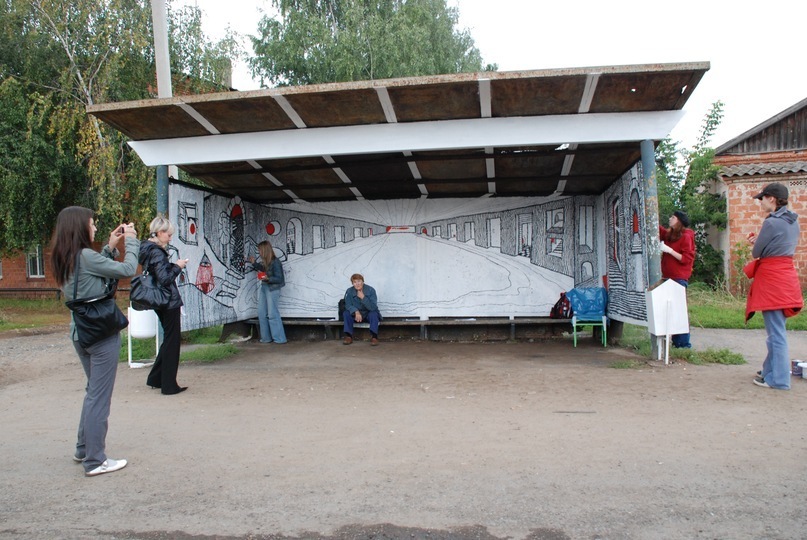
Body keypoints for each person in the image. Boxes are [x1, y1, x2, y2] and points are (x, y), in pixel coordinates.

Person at [50, 207, 139, 477]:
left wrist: (109, 247)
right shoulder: (85, 256)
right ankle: (95, 460)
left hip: (80, 333)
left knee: (93, 392)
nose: (95, 228)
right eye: (92, 224)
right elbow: (127, 269)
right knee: (99, 397)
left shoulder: (65, 257)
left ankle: (83, 448)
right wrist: (131, 241)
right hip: (101, 335)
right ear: (80, 227)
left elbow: (90, 276)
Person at [745, 182, 803, 390]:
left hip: (771, 280)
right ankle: (769, 371)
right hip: (786, 277)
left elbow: (757, 253)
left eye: (762, 198)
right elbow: (778, 247)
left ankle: (779, 380)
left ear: (772, 198)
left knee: (776, 334)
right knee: (778, 329)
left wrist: (756, 243)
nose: (760, 202)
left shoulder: (771, 223)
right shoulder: (793, 221)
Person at [139, 216, 189, 395]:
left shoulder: (146, 249)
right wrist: (177, 266)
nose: (170, 238)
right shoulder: (157, 253)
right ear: (159, 233)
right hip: (168, 301)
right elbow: (165, 278)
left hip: (158, 300)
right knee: (172, 341)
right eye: (168, 234)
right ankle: (168, 384)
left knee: (169, 339)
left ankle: (156, 378)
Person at [659, 210, 696, 348]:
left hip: (679, 278)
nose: (670, 218)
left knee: (679, 311)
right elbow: (660, 231)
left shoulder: (686, 237)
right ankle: (676, 342)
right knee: (671, 311)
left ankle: (683, 344)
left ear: (679, 221)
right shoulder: (671, 235)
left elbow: (686, 259)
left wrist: (669, 251)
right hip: (668, 277)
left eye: (673, 217)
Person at [250, 240, 287, 344]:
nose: (259, 252)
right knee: (261, 313)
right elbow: (263, 269)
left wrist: (268, 278)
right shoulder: (267, 261)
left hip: (273, 288)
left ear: (265, 250)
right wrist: (254, 264)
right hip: (265, 287)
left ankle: (280, 339)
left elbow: (280, 279)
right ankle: (266, 338)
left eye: (260, 250)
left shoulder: (276, 262)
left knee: (272, 314)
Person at [342, 273, 381, 346]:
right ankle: (348, 336)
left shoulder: (370, 290)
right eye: (354, 282)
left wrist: (363, 297)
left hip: (367, 314)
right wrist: (356, 311)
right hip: (355, 315)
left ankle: (374, 337)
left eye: (359, 281)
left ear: (363, 281)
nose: (357, 284)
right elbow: (348, 305)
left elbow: (373, 307)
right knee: (346, 313)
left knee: (374, 314)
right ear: (352, 283)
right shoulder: (349, 291)